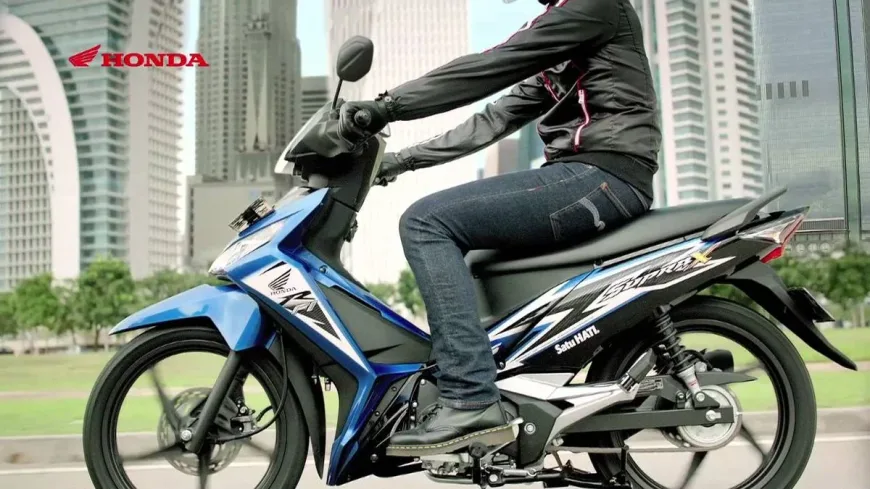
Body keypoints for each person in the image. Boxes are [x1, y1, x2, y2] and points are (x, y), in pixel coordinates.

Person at [337, 0, 661, 453]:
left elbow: (491, 66)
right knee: (471, 253)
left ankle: (470, 398)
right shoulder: (565, 43)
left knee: (426, 222)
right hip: (591, 174)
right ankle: (503, 387)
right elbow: (496, 117)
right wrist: (400, 161)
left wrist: (387, 107)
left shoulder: (592, 7)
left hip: (604, 173)